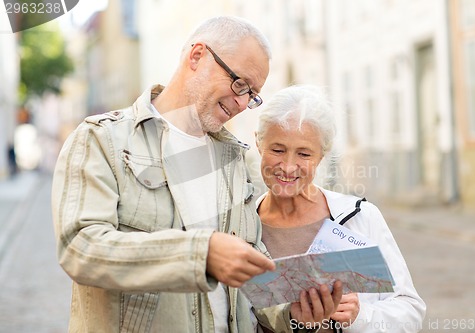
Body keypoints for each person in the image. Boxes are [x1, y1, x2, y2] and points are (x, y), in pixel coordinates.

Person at [52, 17, 340, 333]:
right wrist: (199, 254)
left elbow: (253, 283)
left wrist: (298, 314)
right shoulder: (102, 140)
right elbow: (81, 249)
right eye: (240, 84)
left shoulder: (232, 159)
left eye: (253, 95)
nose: (243, 103)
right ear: (197, 56)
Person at [253, 85, 426, 332]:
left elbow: (410, 310)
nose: (289, 166)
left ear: (321, 155)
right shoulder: (243, 225)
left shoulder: (360, 217)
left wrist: (359, 316)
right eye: (278, 150)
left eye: (304, 154)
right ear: (259, 143)